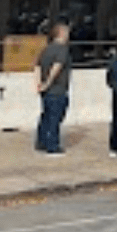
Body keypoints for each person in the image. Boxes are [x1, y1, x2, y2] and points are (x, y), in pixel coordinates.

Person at [33, 20, 72, 156]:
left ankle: (41, 142)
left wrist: (39, 84)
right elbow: (57, 67)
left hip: (46, 91)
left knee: (46, 115)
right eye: (66, 32)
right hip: (57, 89)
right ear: (60, 34)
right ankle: (52, 146)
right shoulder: (62, 49)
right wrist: (48, 82)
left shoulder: (46, 49)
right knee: (55, 118)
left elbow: (37, 66)